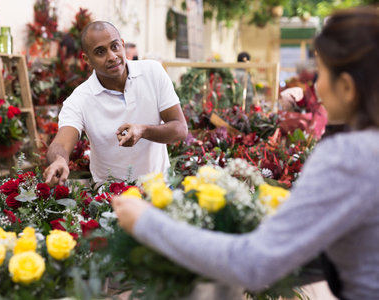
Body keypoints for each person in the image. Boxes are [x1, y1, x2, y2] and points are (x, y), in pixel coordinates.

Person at [112, 7, 379, 299]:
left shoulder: (350, 157)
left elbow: (254, 263)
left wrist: (147, 223)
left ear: (347, 87)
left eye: (322, 73)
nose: (316, 86)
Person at [43, 21, 187, 186]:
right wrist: (59, 160)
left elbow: (180, 128)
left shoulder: (152, 72)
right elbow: (61, 143)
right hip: (109, 201)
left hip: (159, 191)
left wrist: (143, 130)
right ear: (87, 59)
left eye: (115, 46)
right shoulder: (80, 99)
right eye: (100, 52)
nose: (112, 56)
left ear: (123, 45)